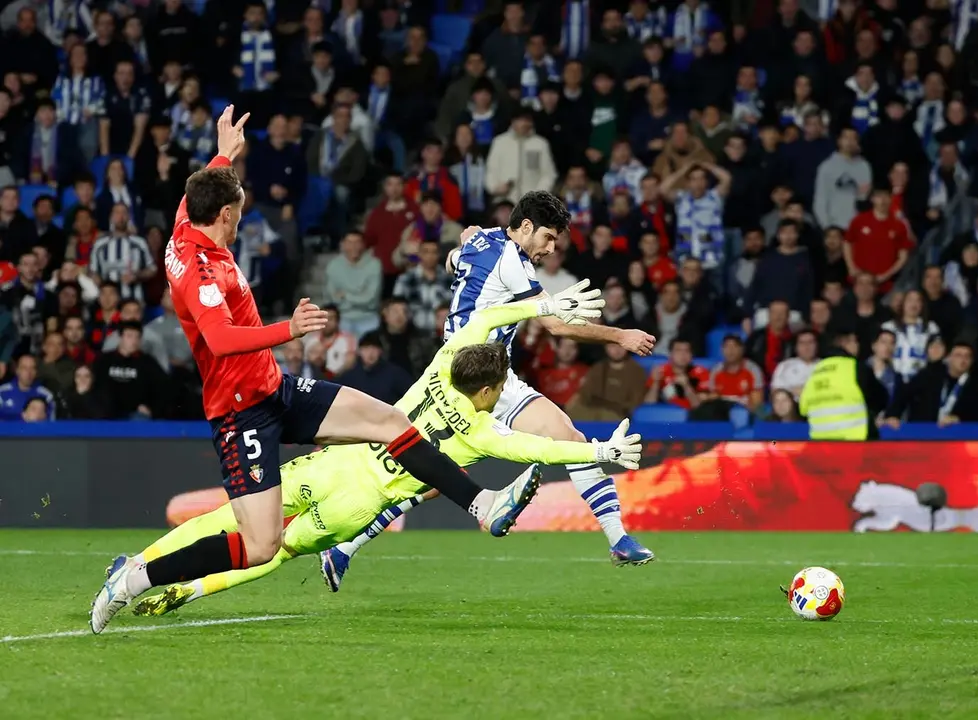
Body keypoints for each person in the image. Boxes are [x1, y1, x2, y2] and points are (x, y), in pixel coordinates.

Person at [90, 107, 543, 634]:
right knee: (261, 547)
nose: (241, 217)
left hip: (275, 389)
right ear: (224, 216)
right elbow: (218, 340)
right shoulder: (198, 268)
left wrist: (224, 152)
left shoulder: (189, 217)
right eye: (238, 211)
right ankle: (133, 579)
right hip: (242, 414)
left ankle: (482, 505)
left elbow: (208, 188)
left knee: (391, 424)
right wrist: (291, 329)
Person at [122, 293, 643, 617]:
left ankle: (141, 564)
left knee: (230, 518)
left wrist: (544, 306)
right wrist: (602, 450)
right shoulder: (482, 434)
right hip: (356, 504)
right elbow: (543, 448)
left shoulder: (440, 368)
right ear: (489, 390)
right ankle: (187, 592)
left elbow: (487, 317)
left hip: (336, 463)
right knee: (271, 551)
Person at [323, 190, 658, 581]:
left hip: (494, 378)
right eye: (548, 238)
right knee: (426, 476)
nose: (551, 249)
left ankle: (618, 539)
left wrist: (463, 244)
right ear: (527, 227)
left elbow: (454, 259)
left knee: (568, 438)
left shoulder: (481, 240)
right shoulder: (511, 260)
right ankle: (344, 545)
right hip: (461, 383)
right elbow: (554, 324)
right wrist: (620, 336)